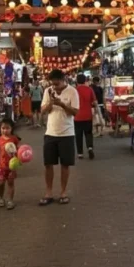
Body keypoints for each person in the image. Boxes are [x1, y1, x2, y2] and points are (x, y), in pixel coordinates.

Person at [40, 69, 79, 205]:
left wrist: (61, 104)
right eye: (53, 84)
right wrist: (51, 102)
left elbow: (75, 112)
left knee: (65, 165)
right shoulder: (48, 91)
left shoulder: (72, 92)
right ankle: (48, 192)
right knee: (48, 164)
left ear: (64, 80)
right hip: (50, 133)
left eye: (57, 84)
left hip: (67, 134)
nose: (55, 87)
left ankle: (63, 192)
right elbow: (43, 111)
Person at [0, 118, 21, 210]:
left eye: (7, 128)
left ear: (11, 129)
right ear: (0, 129)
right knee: (1, 183)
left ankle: (10, 200)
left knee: (11, 183)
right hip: (1, 167)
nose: (5, 130)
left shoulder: (14, 139)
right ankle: (1, 198)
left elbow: (18, 150)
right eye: (3, 128)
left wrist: (20, 159)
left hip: (12, 166)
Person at [74, 74, 97, 160]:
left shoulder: (74, 90)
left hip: (77, 116)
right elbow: (95, 103)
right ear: (85, 81)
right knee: (88, 133)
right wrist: (97, 112)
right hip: (88, 116)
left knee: (78, 135)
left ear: (77, 81)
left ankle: (80, 153)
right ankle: (90, 148)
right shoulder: (89, 89)